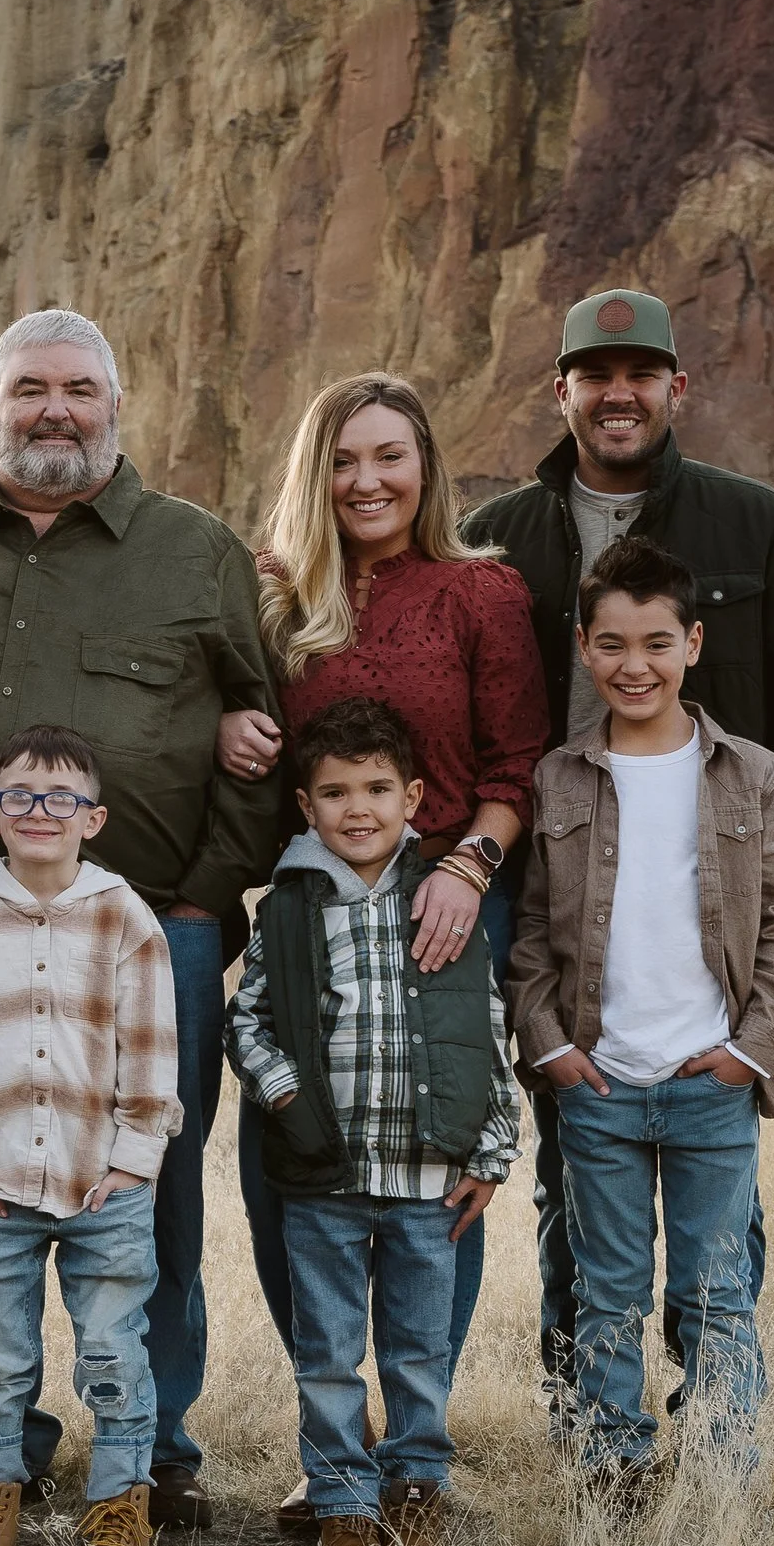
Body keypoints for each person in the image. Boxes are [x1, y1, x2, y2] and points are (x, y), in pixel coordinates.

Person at [0, 311, 277, 1530]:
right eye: (29, 390)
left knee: (144, 1191)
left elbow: (259, 738)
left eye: (78, 388)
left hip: (149, 937)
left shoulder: (194, 551)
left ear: (117, 403)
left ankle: (153, 1450)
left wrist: (203, 898)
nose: (54, 409)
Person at [464, 290, 774, 1408]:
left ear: (677, 387)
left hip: (702, 932)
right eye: (595, 373)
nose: (617, 392)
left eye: (640, 372)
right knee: (573, 1182)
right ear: (562, 393)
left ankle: (714, 1406)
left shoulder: (755, 522)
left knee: (716, 1194)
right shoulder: (500, 536)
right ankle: (589, 1410)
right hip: (556, 924)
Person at [222, 373, 546, 1422]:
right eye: (343, 460)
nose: (366, 480)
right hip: (309, 905)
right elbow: (227, 728)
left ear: (424, 466)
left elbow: (515, 770)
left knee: (434, 1154)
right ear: (314, 474)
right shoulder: (268, 591)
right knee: (296, 1150)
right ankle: (332, 1431)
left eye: (387, 456)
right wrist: (230, 727)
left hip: (446, 900)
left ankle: (416, 1430)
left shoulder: (481, 592)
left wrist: (466, 869)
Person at [507, 534, 774, 1488]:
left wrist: (751, 1051)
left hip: (710, 1083)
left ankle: (722, 1470)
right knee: (604, 1292)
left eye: (653, 643)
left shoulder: (752, 774)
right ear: (582, 647)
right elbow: (528, 938)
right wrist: (551, 1049)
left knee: (716, 1292)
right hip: (596, 1081)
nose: (631, 666)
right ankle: (612, 1467)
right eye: (610, 645)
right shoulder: (559, 777)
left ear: (692, 641)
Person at [225, 698, 517, 1546]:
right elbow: (250, 1021)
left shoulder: (441, 901)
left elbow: (483, 1028)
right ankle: (343, 1499)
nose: (359, 808)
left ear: (415, 796)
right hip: (323, 1176)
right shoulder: (288, 906)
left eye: (379, 789)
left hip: (429, 1177)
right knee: (329, 1348)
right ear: (306, 807)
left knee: (419, 1347)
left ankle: (416, 1484)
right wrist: (286, 1099)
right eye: (335, 792)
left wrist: (492, 1151)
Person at [0, 725, 181, 1546]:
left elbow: (149, 1049)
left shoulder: (124, 917)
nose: (40, 811)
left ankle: (117, 1506)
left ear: (92, 818)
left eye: (61, 798)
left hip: (102, 1181)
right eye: (20, 797)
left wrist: (137, 1160)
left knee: (112, 1350)